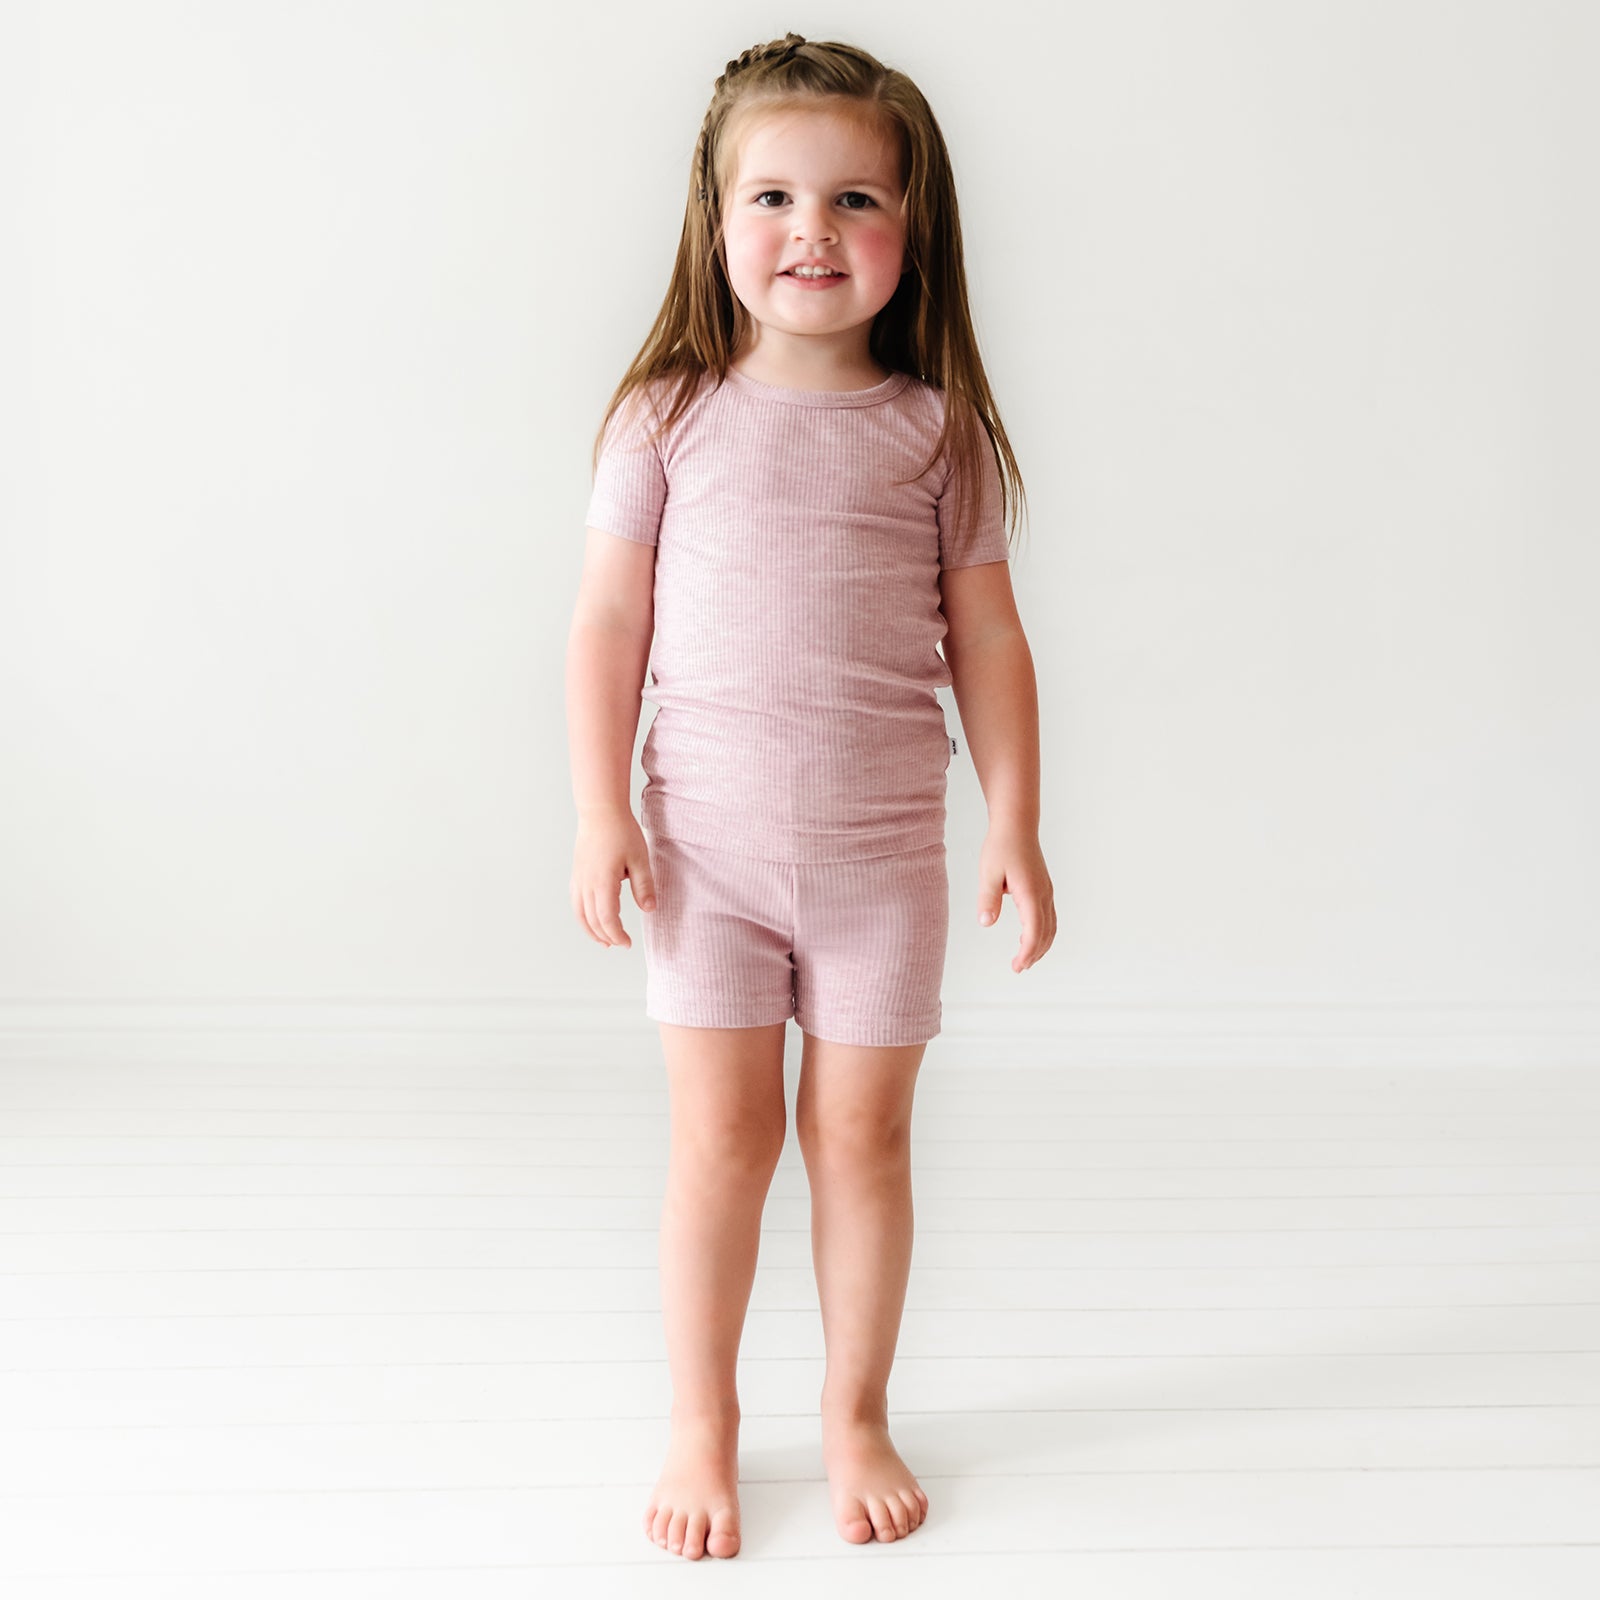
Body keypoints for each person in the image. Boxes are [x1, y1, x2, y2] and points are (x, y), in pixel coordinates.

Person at [565, 32, 1056, 1562]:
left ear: (914, 227)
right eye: (772, 197)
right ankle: (701, 1420)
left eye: (856, 199)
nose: (812, 232)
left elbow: (989, 638)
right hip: (705, 860)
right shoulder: (664, 417)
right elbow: (607, 625)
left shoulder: (935, 432)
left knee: (864, 1141)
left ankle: (855, 1412)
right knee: (721, 1145)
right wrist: (601, 809)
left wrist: (1016, 822)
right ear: (715, 220)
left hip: (882, 866)